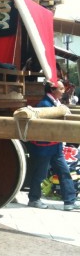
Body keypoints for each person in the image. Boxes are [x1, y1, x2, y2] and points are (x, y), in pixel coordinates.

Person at [27, 80, 80, 211]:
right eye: (61, 89)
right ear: (52, 90)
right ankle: (34, 199)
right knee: (40, 174)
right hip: (44, 147)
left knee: (64, 172)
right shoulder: (44, 104)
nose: (63, 91)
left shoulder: (54, 103)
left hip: (55, 146)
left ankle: (69, 201)